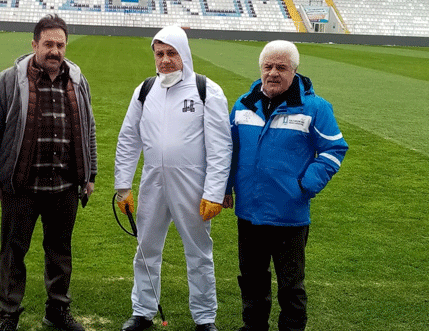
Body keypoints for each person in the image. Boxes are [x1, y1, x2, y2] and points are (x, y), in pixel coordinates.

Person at [114, 25, 232, 331]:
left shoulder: (207, 90)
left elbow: (221, 147)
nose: (165, 60)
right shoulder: (144, 90)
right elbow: (129, 138)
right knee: (145, 250)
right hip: (152, 184)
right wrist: (123, 187)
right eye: (159, 54)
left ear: (184, 54)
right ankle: (143, 311)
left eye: (171, 53)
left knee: (199, 254)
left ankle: (205, 319)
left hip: (193, 188)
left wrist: (214, 192)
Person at [224, 40, 348, 331]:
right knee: (252, 280)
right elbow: (228, 150)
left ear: (294, 70)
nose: (273, 73)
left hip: (289, 215)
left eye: (281, 67)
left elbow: (334, 149)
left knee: (291, 286)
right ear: (260, 69)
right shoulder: (244, 104)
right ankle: (253, 327)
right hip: (249, 212)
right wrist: (225, 187)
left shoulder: (315, 108)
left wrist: (304, 185)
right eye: (268, 66)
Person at [0, 14, 97, 331]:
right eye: (48, 44)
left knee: (60, 252)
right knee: (13, 252)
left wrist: (90, 175)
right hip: (20, 185)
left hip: (63, 186)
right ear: (34, 45)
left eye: (60, 44)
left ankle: (57, 310)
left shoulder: (76, 80)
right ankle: (8, 314)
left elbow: (88, 129)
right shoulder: (9, 80)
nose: (54, 50)